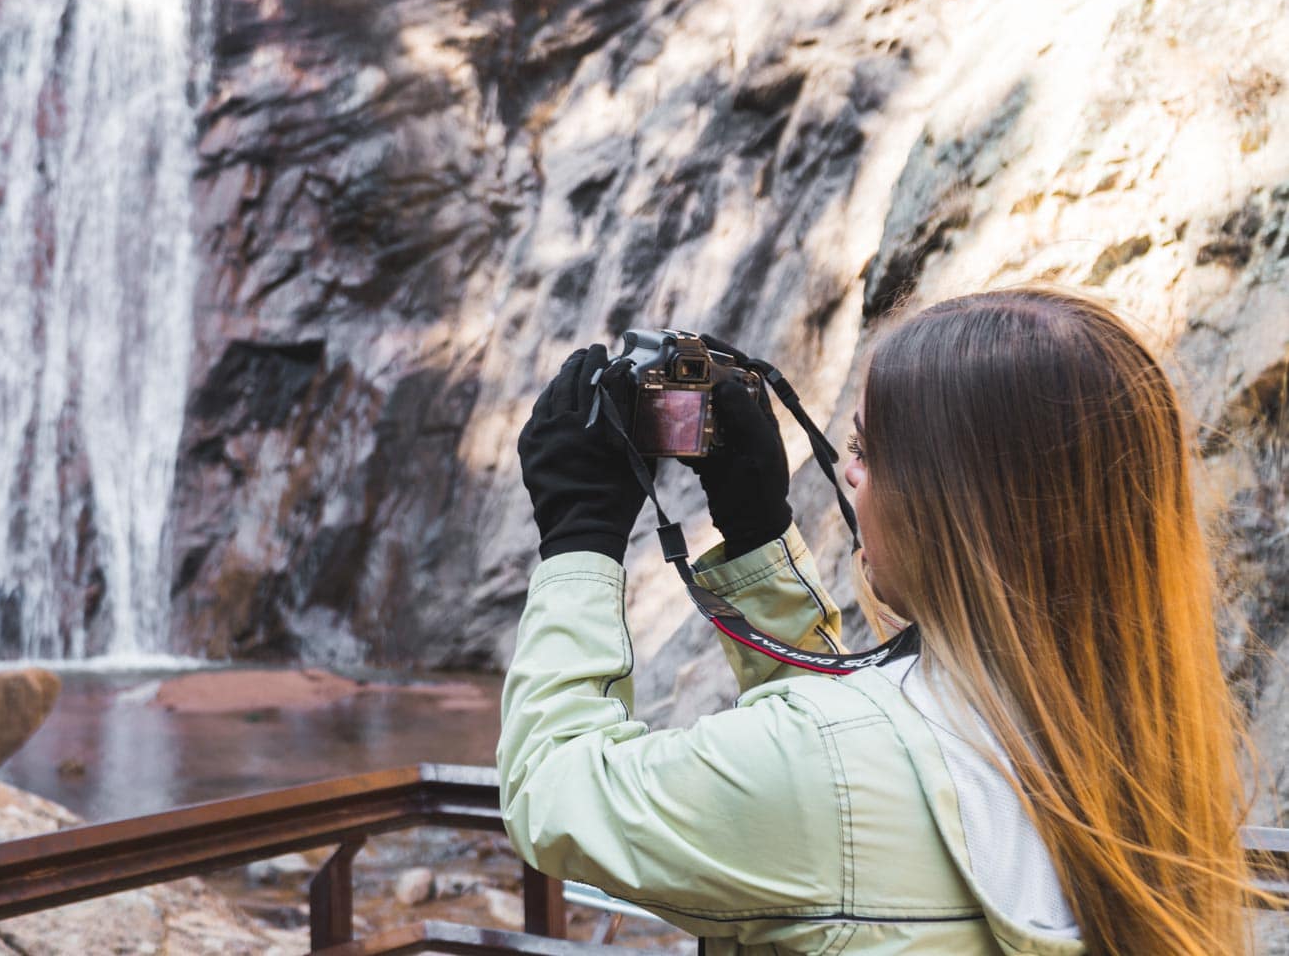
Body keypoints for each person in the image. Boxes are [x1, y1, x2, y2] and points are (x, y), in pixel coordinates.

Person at [499, 288, 1254, 955]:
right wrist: (757, 532)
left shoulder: (819, 769)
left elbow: (554, 788)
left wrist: (581, 537)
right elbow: (861, 764)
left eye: (863, 449)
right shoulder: (1147, 741)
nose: (849, 472)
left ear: (956, 506)